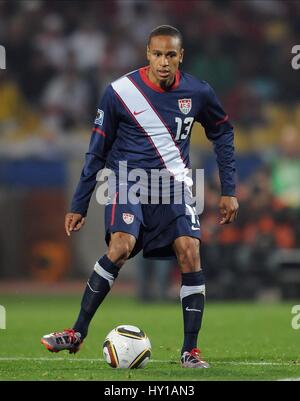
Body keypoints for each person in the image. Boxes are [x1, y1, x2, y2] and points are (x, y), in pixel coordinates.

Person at [41, 25, 238, 368]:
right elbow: (95, 152)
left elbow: (222, 132)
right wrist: (79, 203)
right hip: (127, 181)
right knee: (120, 246)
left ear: (181, 57)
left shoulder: (199, 92)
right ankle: (76, 332)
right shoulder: (119, 92)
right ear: (147, 54)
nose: (164, 62)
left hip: (173, 186)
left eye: (170, 55)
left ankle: (189, 351)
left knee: (191, 253)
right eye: (157, 54)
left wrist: (229, 190)